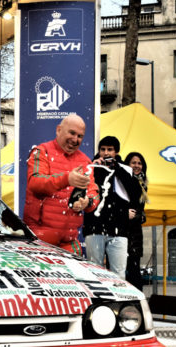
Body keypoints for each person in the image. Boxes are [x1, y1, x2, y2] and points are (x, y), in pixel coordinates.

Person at [23, 113, 99, 255]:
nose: (75, 139)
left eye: (80, 136)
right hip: (38, 241)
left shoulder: (85, 162)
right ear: (58, 130)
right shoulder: (42, 152)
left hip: (69, 243)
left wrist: (87, 202)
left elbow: (93, 194)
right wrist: (66, 179)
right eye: (72, 133)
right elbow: (35, 183)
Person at [83, 136, 141, 278]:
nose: (106, 153)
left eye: (110, 149)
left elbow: (135, 193)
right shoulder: (91, 167)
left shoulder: (125, 169)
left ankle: (118, 300)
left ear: (116, 152)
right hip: (95, 227)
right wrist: (95, 168)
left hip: (119, 229)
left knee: (118, 273)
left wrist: (116, 168)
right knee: (95, 271)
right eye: (103, 149)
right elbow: (84, 189)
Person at [123, 152, 148, 289]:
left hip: (135, 231)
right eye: (133, 163)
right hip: (123, 230)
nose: (137, 166)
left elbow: (139, 207)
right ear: (127, 164)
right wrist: (123, 212)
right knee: (121, 268)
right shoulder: (123, 180)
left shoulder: (143, 183)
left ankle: (137, 301)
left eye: (139, 163)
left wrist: (141, 215)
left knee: (134, 268)